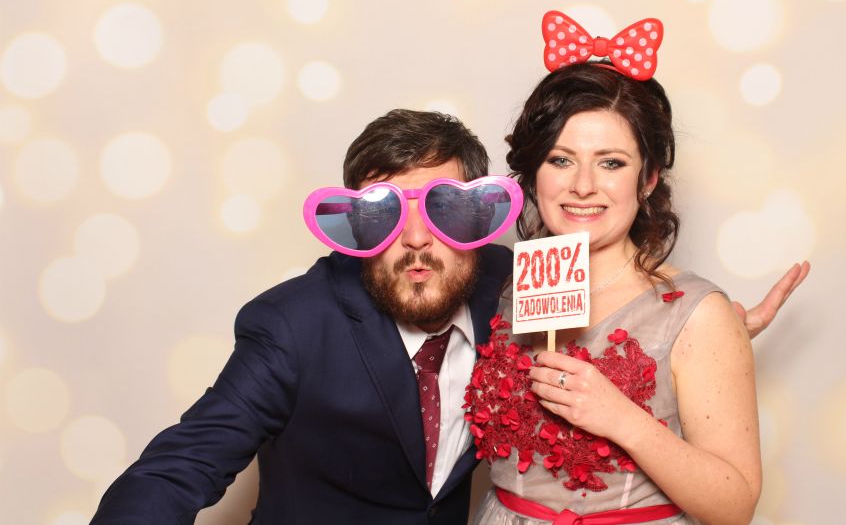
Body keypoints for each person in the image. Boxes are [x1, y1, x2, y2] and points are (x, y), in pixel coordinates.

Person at [91, 103, 804, 524]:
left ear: (477, 217)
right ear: (355, 225)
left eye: (443, 210)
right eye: (382, 215)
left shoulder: (512, 283)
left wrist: (705, 330)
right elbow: (179, 467)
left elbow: (622, 310)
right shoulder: (293, 325)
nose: (415, 240)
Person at [467, 12, 810, 525]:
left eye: (611, 162)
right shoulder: (502, 284)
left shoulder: (697, 315)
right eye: (561, 159)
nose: (583, 185)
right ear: (533, 173)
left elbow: (735, 507)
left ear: (647, 179)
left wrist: (621, 417)